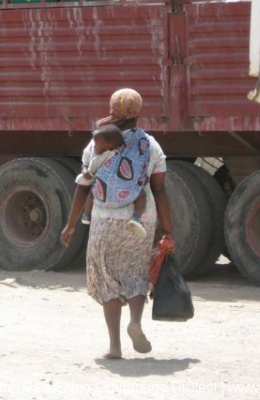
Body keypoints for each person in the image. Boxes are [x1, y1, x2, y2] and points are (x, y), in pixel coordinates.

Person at [61, 88, 174, 360]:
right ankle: (135, 321)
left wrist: (71, 224)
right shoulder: (151, 145)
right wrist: (168, 230)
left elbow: (83, 186)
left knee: (106, 278)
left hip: (104, 218)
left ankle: (114, 346)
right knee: (135, 273)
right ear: (138, 112)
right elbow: (159, 190)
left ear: (113, 109)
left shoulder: (97, 143)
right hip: (141, 217)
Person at [77, 125, 148, 237]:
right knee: (142, 195)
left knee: (91, 191)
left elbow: (88, 176)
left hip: (103, 195)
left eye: (96, 144)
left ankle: (86, 214)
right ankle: (136, 218)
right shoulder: (126, 153)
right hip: (124, 195)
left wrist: (85, 170)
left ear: (108, 145)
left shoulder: (97, 159)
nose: (94, 146)